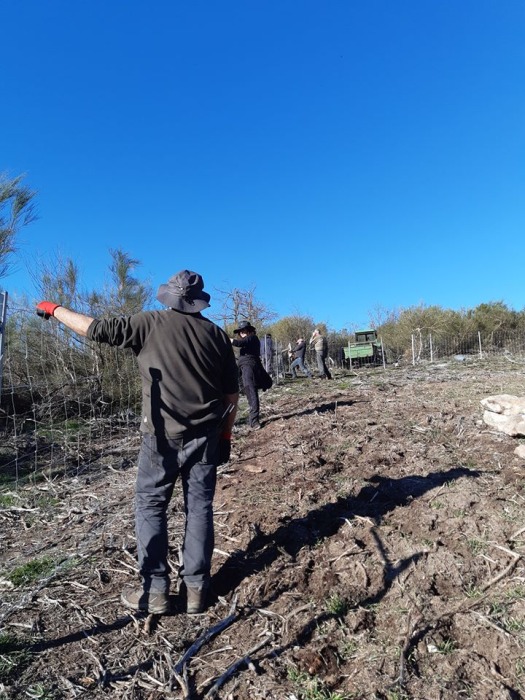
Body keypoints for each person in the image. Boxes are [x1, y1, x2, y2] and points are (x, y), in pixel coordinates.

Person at [36, 269, 239, 617]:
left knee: (150, 505)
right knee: (200, 508)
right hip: (206, 436)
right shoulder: (217, 336)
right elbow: (232, 396)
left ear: (170, 296)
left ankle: (155, 590)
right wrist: (225, 435)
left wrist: (54, 308)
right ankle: (196, 590)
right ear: (199, 301)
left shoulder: (149, 323)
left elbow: (94, 328)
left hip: (160, 437)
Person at [231, 321, 262, 430]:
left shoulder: (252, 338)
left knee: (251, 390)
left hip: (250, 367)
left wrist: (227, 340)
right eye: (240, 332)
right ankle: (252, 418)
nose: (242, 333)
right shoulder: (246, 341)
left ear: (249, 331)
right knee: (247, 391)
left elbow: (238, 343)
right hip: (243, 367)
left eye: (244, 331)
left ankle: (254, 421)